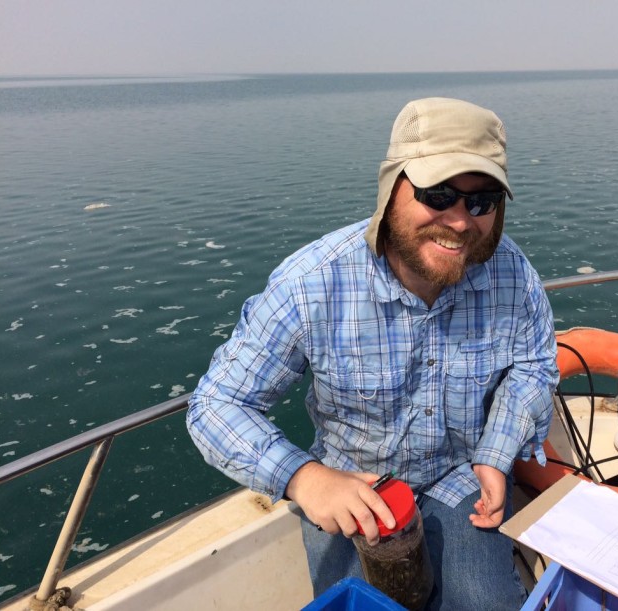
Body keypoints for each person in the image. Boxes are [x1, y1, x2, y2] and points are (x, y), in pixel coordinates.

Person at [187, 97, 559, 610]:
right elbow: (216, 405)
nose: (459, 222)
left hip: (460, 477)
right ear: (392, 187)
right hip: (351, 485)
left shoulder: (513, 274)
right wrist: (306, 479)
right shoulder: (311, 285)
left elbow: (533, 366)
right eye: (438, 193)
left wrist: (496, 456)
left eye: (481, 202)